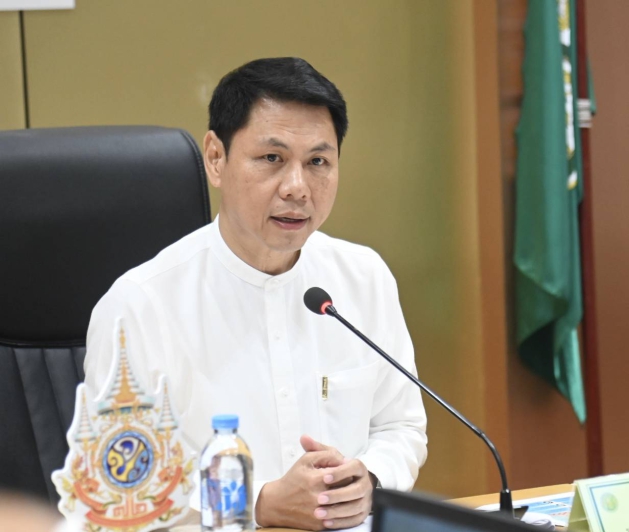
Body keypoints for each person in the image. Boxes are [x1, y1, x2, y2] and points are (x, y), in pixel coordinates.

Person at [83, 57, 427, 530]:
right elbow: (121, 487)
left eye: (318, 162)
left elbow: (400, 426)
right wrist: (257, 503)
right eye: (272, 159)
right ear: (216, 158)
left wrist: (368, 478)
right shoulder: (140, 306)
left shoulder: (363, 278)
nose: (297, 188)